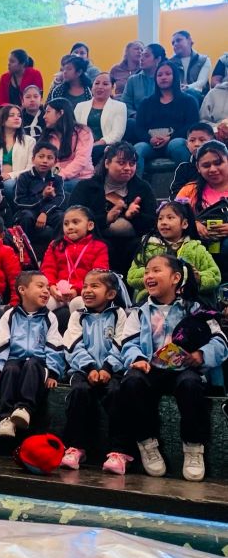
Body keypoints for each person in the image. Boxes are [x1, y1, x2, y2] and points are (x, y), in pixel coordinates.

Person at [116, 255, 227, 482]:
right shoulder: (139, 311)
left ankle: (194, 447)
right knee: (131, 382)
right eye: (147, 272)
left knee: (191, 384)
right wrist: (137, 358)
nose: (149, 276)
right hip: (151, 367)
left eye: (156, 271)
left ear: (176, 278)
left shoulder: (195, 309)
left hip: (183, 369)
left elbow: (220, 341)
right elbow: (128, 342)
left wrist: (201, 355)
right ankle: (147, 442)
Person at [59, 269, 130, 474]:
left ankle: (119, 451)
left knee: (117, 394)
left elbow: (122, 343)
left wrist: (108, 367)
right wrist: (89, 367)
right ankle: (75, 448)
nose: (87, 290)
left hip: (112, 370)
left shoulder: (119, 314)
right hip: (82, 370)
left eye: (95, 286)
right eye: (86, 286)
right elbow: (72, 344)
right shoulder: (77, 316)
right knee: (79, 393)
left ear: (110, 294)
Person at [0, 271, 64, 438]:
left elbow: (54, 345)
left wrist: (53, 372)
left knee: (32, 364)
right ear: (22, 290)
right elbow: (1, 344)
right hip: (14, 359)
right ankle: (5, 418)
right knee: (11, 368)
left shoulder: (49, 317)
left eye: (48, 287)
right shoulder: (10, 315)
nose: (46, 291)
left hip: (38, 365)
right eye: (40, 286)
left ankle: (24, 408)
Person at [70, 142, 156, 275]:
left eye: (132, 164)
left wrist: (133, 217)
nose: (128, 168)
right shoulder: (86, 187)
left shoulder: (143, 188)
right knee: (103, 247)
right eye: (121, 163)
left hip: (132, 242)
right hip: (95, 240)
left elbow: (152, 223)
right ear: (107, 163)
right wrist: (106, 219)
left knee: (139, 247)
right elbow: (73, 219)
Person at [126, 200, 219, 302]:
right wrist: (156, 273)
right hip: (153, 301)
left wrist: (197, 278)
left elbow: (215, 275)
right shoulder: (149, 248)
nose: (164, 222)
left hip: (189, 300)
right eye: (160, 219)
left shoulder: (196, 248)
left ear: (184, 224)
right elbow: (132, 276)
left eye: (170, 218)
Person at [40, 205, 109, 332]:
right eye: (66, 224)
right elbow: (48, 269)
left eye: (75, 222)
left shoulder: (99, 247)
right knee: (42, 302)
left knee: (78, 303)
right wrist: (52, 286)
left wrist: (77, 289)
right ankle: (41, 339)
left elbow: (98, 275)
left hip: (83, 292)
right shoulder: (55, 245)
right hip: (58, 293)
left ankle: (80, 337)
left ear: (90, 226)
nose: (70, 227)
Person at [134, 61, 196, 177]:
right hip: (150, 144)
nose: (163, 77)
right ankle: (136, 191)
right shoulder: (146, 103)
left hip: (175, 140)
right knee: (138, 149)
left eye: (168, 74)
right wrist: (149, 139)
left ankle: (189, 185)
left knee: (177, 144)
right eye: (160, 75)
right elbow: (139, 128)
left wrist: (170, 137)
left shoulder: (188, 101)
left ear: (175, 76)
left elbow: (191, 125)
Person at [11, 141, 66, 258]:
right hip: (28, 210)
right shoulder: (24, 177)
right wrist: (42, 196)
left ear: (55, 161)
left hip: (48, 212)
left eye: (49, 158)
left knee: (62, 217)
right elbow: (19, 201)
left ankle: (57, 253)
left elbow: (60, 199)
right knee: (26, 216)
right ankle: (24, 253)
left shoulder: (57, 179)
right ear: (33, 159)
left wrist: (44, 212)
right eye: (41, 156)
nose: (45, 161)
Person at [173, 139, 228, 254]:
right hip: (198, 249)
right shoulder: (189, 190)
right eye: (206, 165)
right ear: (198, 168)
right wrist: (193, 225)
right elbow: (172, 217)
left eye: (218, 163)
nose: (213, 169)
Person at [39, 97, 93, 189]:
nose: (44, 116)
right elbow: (56, 164)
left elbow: (81, 161)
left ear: (60, 113)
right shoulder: (50, 136)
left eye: (48, 112)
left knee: (58, 189)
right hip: (60, 177)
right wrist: (53, 177)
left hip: (81, 178)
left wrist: (60, 176)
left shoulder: (83, 132)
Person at [75, 72, 127, 164]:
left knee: (96, 152)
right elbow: (74, 130)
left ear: (112, 87)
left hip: (106, 147)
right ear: (92, 86)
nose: (100, 87)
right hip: (81, 146)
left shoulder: (120, 106)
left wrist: (95, 145)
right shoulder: (80, 106)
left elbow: (117, 134)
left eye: (105, 84)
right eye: (97, 83)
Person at [0, 104, 35, 200]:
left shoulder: (30, 141)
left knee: (8, 185)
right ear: (2, 120)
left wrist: (10, 175)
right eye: (12, 115)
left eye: (19, 115)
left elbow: (31, 167)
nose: (17, 118)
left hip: (20, 179)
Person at [122, 43, 167, 120]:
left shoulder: (165, 80)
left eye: (146, 56)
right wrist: (135, 115)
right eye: (141, 55)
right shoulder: (133, 80)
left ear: (158, 59)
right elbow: (125, 104)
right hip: (137, 120)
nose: (141, 59)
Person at [170, 121, 214, 196]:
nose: (197, 144)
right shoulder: (184, 168)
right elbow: (176, 194)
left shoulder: (220, 166)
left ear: (213, 141)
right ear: (187, 144)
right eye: (192, 140)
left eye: (202, 140)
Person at [169, 30, 211, 106]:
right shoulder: (170, 62)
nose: (175, 44)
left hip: (198, 96)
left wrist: (187, 87)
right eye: (173, 43)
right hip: (176, 94)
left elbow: (201, 82)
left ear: (189, 40)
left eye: (178, 40)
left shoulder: (204, 59)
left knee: (189, 94)